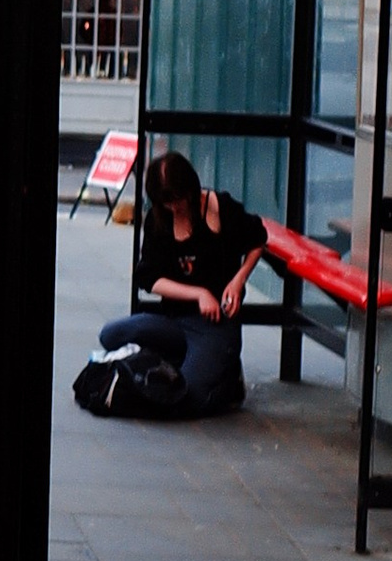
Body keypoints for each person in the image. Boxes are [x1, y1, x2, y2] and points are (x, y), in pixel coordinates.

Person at [81, 150, 267, 419]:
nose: (175, 207)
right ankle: (184, 359)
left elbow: (257, 239)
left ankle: (226, 376)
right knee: (111, 335)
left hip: (214, 324)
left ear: (190, 189)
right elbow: (149, 278)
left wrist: (238, 281)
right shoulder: (159, 219)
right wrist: (199, 293)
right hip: (174, 320)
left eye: (179, 198)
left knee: (189, 398)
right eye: (166, 202)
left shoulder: (218, 207)